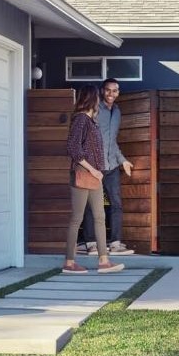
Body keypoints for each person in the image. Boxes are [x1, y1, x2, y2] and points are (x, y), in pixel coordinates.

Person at [63, 85, 125, 275]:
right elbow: (73, 149)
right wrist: (92, 170)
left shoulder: (92, 121)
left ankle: (104, 261)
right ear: (92, 98)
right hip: (83, 174)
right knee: (77, 219)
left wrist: (98, 171)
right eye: (98, 97)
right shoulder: (81, 119)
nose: (100, 100)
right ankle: (69, 262)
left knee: (100, 217)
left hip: (95, 175)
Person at [78, 77, 135, 256]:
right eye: (108, 90)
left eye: (115, 90)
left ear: (118, 92)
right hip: (94, 166)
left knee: (116, 204)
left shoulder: (117, 112)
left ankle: (116, 243)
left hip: (111, 167)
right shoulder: (94, 109)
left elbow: (112, 142)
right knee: (91, 205)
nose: (111, 94)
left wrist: (123, 160)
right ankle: (90, 243)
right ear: (102, 91)